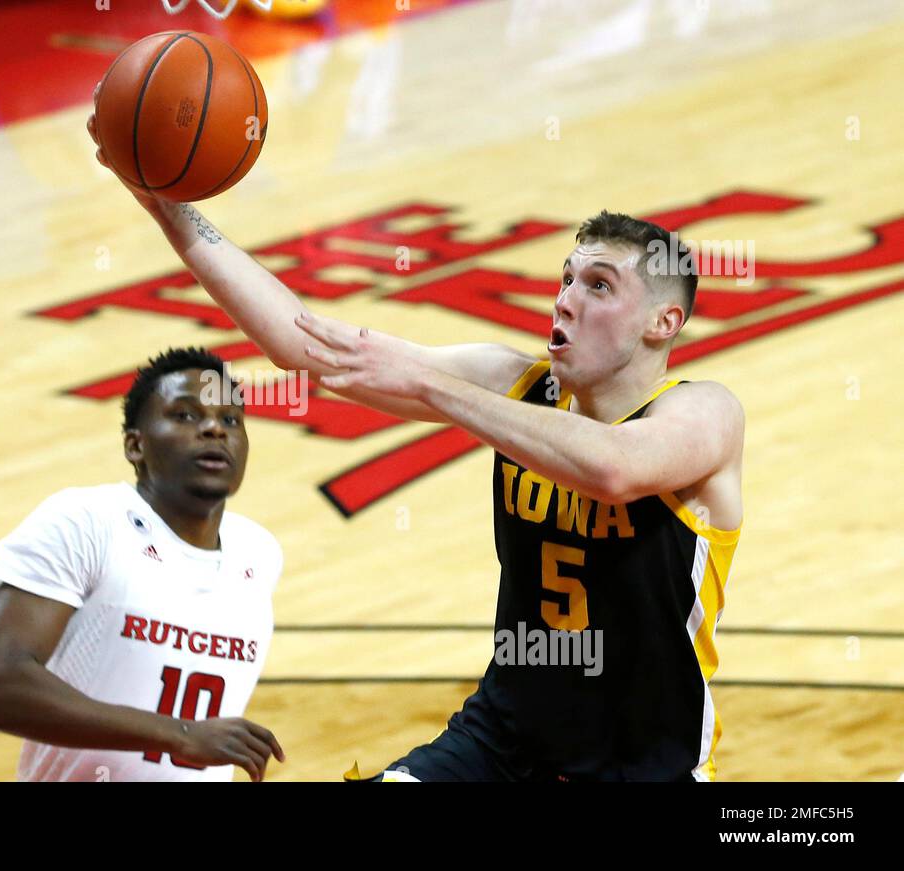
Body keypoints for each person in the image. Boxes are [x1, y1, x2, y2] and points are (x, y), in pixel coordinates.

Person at [87, 106, 744, 781]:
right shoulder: (513, 382)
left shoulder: (704, 415)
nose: (566, 300)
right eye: (567, 278)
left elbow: (613, 468)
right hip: (502, 742)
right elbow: (300, 344)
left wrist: (430, 385)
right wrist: (162, 200)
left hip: (644, 768)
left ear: (664, 322)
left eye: (599, 285)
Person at [0, 347, 286, 781]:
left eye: (230, 420)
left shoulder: (259, 553)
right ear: (135, 445)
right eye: (186, 415)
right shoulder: (86, 522)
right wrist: (180, 735)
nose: (214, 428)